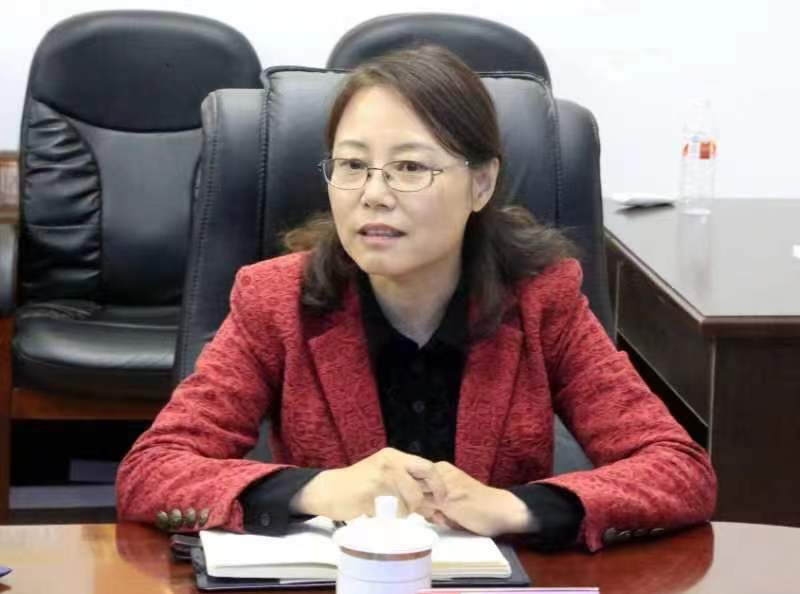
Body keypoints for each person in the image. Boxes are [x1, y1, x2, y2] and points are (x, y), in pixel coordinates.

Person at [116, 46, 716, 552]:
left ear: (481, 183)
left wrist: (515, 508)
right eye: (352, 165)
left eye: (409, 167)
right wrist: (317, 490)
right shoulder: (277, 299)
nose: (373, 194)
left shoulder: (541, 298)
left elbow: (678, 469)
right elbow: (153, 470)